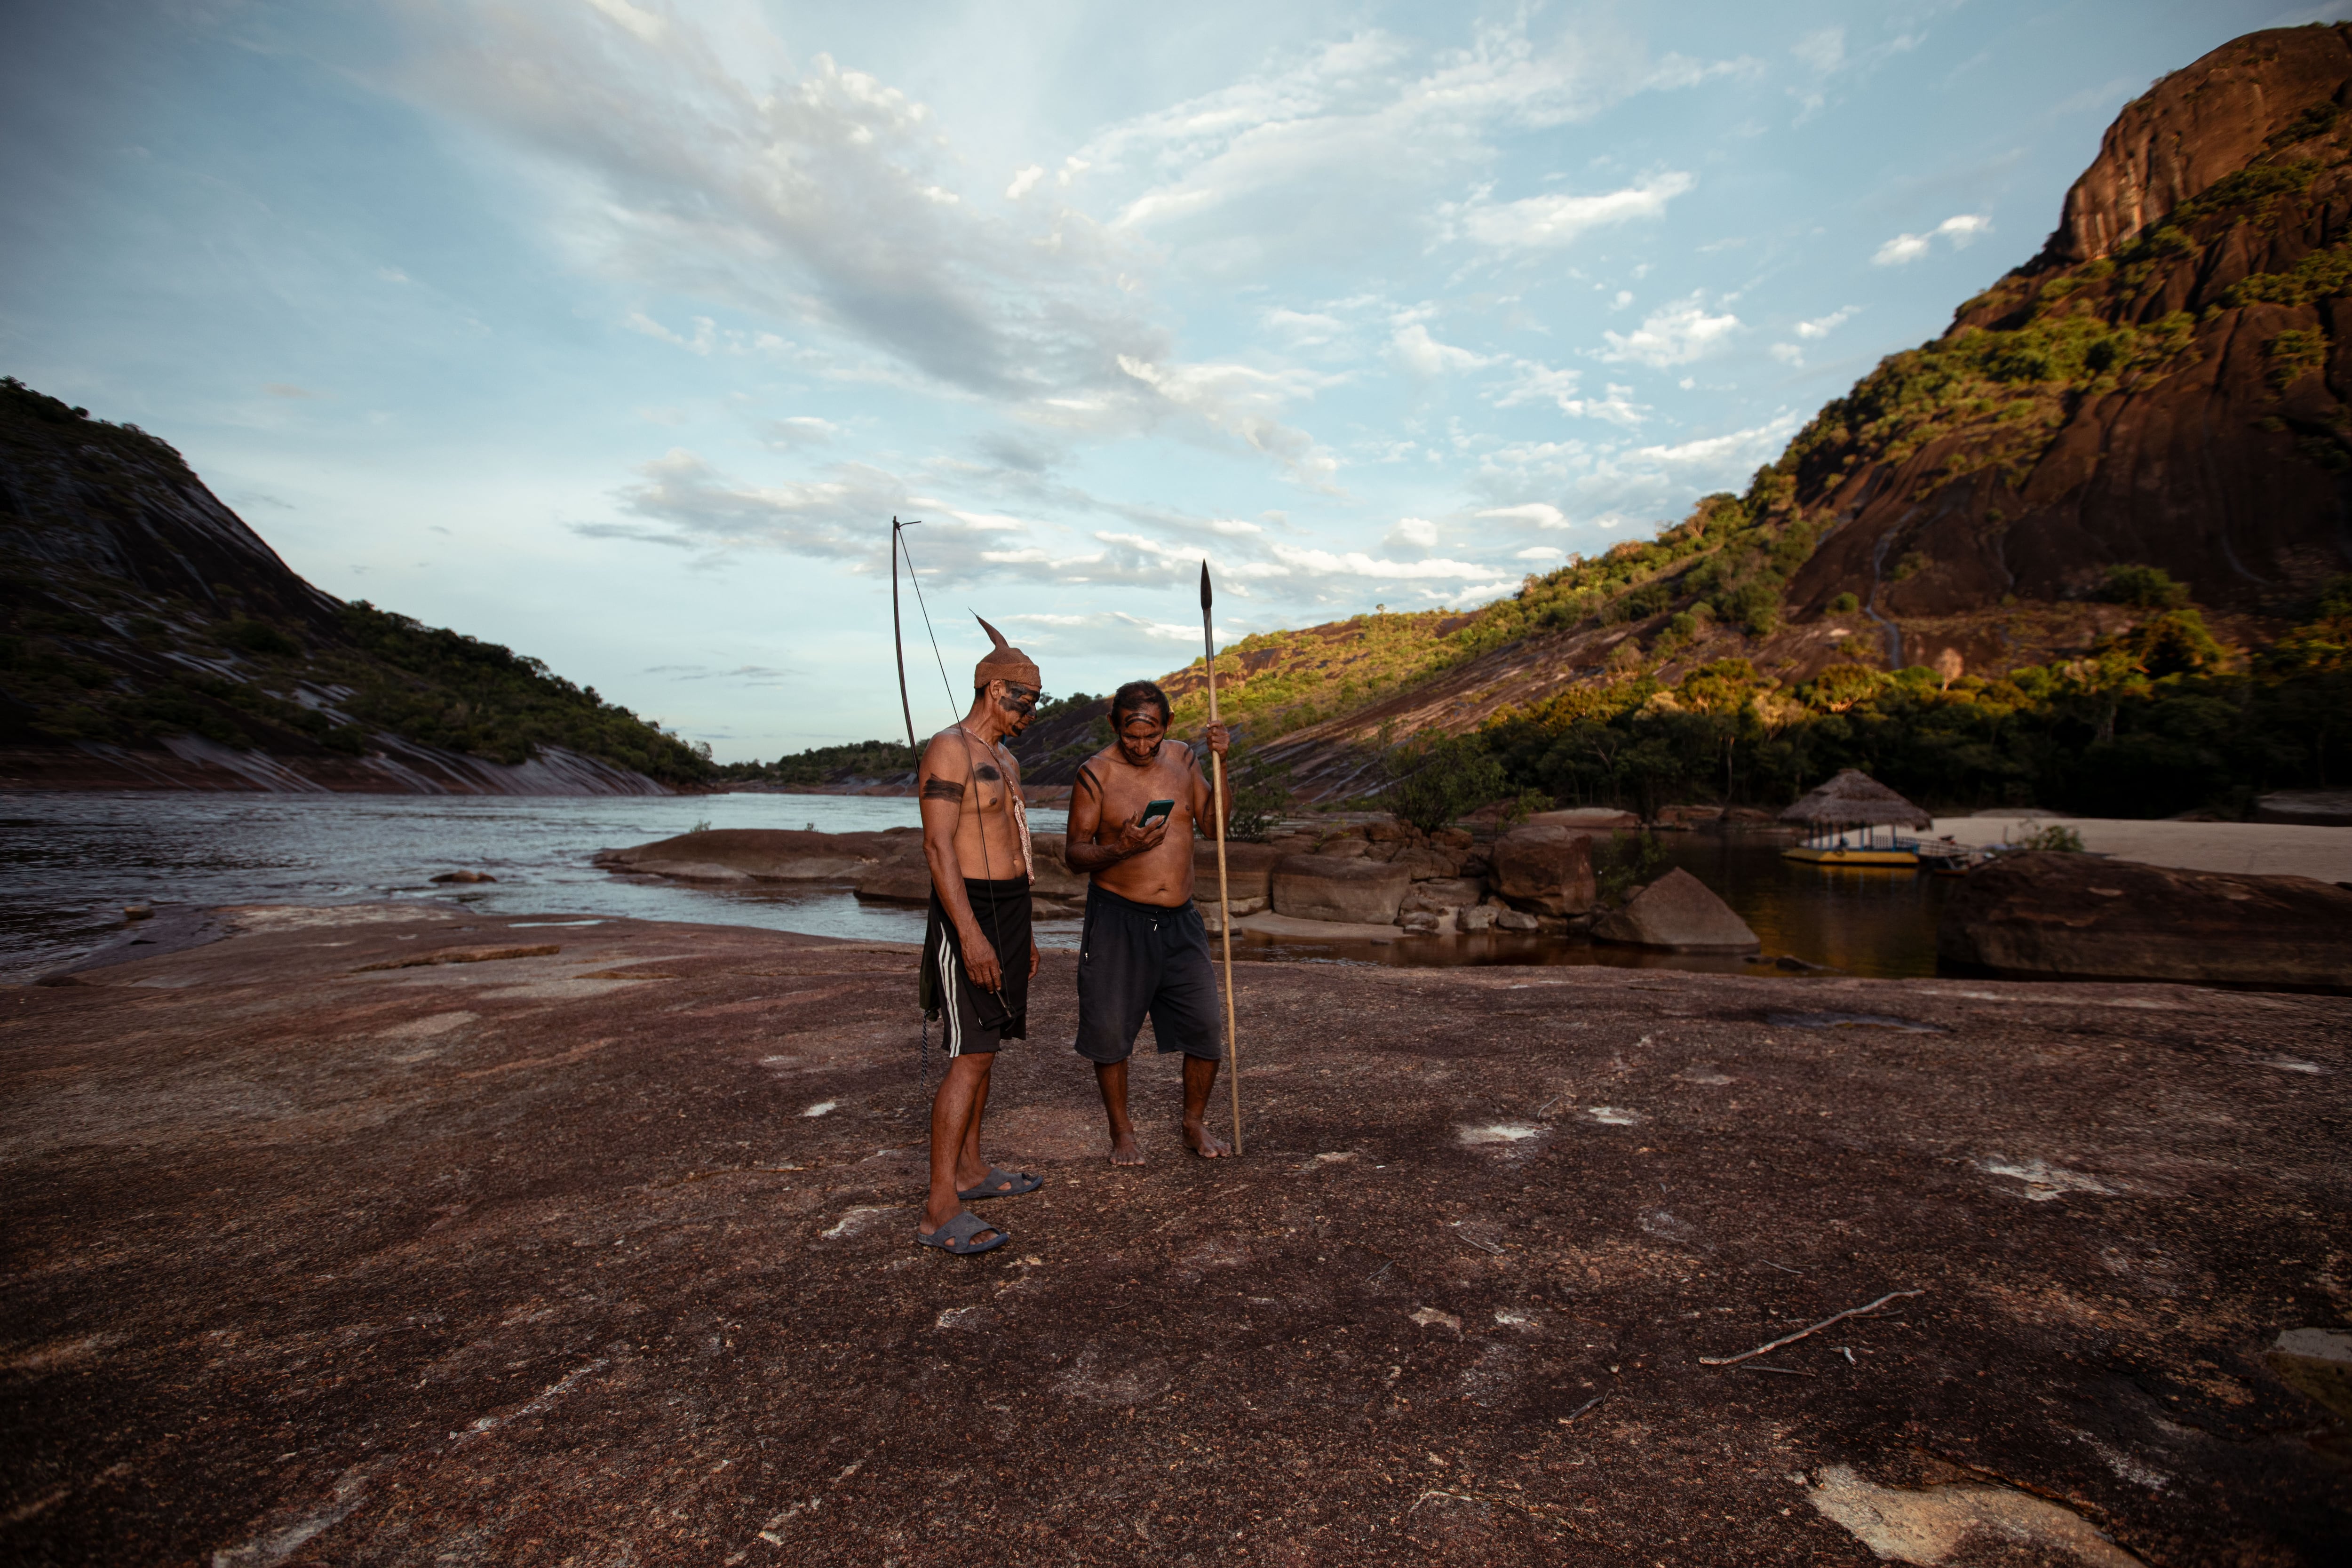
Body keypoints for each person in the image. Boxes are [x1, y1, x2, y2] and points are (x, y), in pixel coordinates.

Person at [913, 616, 1046, 1256]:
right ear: (996, 690)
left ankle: (971, 1170)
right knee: (969, 1053)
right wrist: (970, 934)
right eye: (1028, 699)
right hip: (971, 912)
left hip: (1012, 912)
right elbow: (939, 848)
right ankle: (940, 1207)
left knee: (989, 1047)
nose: (1032, 711)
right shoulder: (949, 749)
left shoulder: (1007, 757)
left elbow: (1014, 842)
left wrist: (1027, 933)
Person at [1064, 679, 1233, 1162]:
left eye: (1151, 734)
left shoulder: (1182, 759)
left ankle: (1193, 1124)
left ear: (1167, 726)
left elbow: (1215, 825)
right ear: (1114, 725)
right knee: (1111, 1033)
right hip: (1118, 918)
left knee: (1204, 1028)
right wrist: (1122, 848)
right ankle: (1122, 1134)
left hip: (1180, 920)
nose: (1141, 745)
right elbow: (1074, 854)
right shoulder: (1095, 773)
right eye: (1131, 734)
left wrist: (1221, 762)